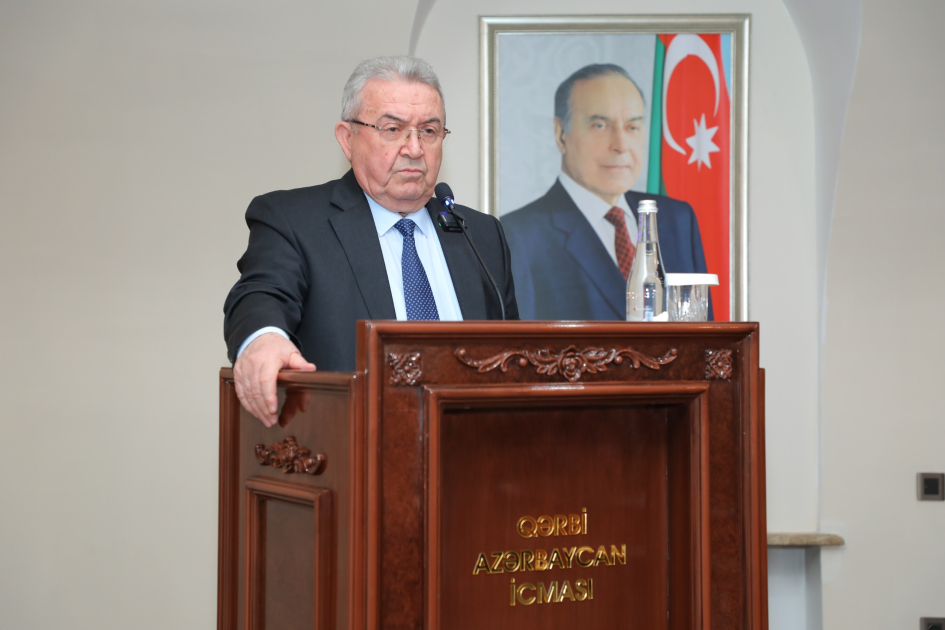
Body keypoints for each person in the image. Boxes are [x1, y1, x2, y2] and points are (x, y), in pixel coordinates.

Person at [224, 56, 519, 426]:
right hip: (349, 444)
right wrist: (263, 339)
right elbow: (260, 294)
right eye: (393, 129)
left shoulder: (481, 234)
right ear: (347, 139)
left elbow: (514, 357)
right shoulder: (294, 221)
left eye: (429, 131)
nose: (414, 149)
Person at [501, 63, 708, 321]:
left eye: (632, 127)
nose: (621, 145)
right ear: (560, 134)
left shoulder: (677, 219)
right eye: (600, 125)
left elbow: (704, 335)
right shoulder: (519, 236)